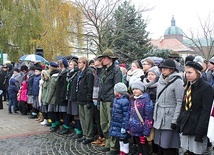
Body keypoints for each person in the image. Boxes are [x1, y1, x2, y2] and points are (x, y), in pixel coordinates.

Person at [177, 60, 213, 155]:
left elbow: (206, 111)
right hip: (187, 123)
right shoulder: (188, 85)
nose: (187, 75)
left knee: (197, 151)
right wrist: (179, 121)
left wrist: (200, 130)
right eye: (186, 72)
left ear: (197, 73)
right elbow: (184, 106)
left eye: (190, 72)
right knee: (187, 150)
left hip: (197, 125)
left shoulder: (206, 88)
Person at [153, 59, 184, 155]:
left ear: (172, 69)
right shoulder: (161, 79)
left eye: (165, 68)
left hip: (169, 117)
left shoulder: (178, 81)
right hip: (159, 116)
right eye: (162, 68)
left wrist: (175, 120)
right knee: (160, 145)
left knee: (168, 146)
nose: (163, 70)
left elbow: (179, 102)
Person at [97, 49, 122, 154]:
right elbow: (101, 86)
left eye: (104, 58)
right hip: (103, 99)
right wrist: (99, 100)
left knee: (111, 124)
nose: (102, 60)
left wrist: (113, 100)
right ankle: (108, 143)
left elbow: (117, 87)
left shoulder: (116, 70)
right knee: (104, 123)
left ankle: (113, 147)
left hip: (110, 100)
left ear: (110, 59)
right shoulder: (103, 70)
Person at [128, 79, 153, 155]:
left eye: (137, 89)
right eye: (133, 89)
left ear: (142, 90)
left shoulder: (146, 100)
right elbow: (129, 113)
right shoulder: (133, 99)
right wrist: (128, 126)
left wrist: (146, 130)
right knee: (138, 144)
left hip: (142, 128)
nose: (134, 91)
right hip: (134, 127)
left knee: (144, 145)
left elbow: (148, 117)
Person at [76, 57, 94, 144]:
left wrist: (88, 100)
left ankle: (89, 136)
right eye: (78, 62)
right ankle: (85, 134)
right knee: (82, 119)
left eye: (80, 62)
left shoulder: (88, 73)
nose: (78, 64)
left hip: (86, 100)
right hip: (80, 98)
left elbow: (89, 87)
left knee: (88, 119)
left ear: (85, 63)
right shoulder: (80, 73)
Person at [109, 82, 130, 155]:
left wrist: (124, 127)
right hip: (117, 122)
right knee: (120, 138)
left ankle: (125, 151)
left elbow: (126, 115)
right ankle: (122, 151)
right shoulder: (116, 99)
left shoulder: (124, 101)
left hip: (121, 124)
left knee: (124, 139)